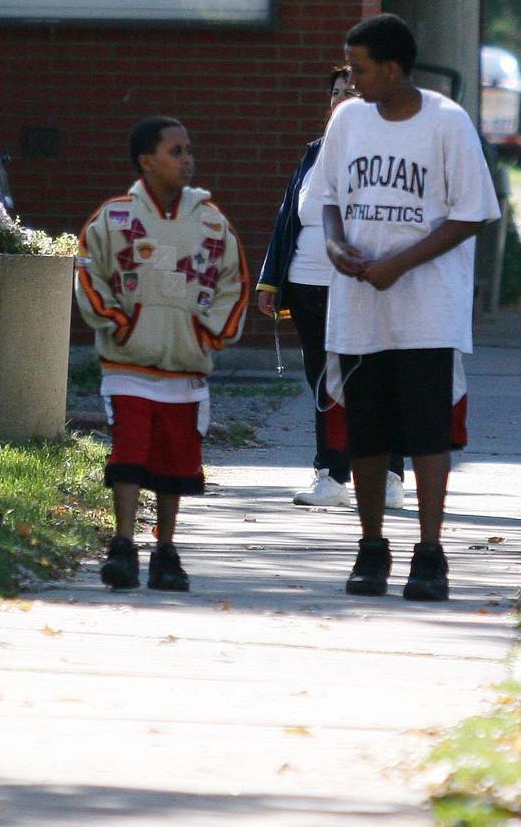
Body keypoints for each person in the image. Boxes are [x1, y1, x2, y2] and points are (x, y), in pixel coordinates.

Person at [311, 13, 500, 602]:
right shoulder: (347, 121)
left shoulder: (446, 122)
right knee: (364, 435)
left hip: (426, 309)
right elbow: (327, 197)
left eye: (360, 68)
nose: (352, 79)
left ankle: (430, 551)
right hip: (360, 305)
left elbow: (473, 212)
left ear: (393, 68)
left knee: (426, 434)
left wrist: (402, 262)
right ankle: (371, 547)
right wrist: (338, 244)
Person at [74, 117, 249, 593]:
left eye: (189, 150)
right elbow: (89, 271)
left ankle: (167, 551)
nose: (187, 158)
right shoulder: (114, 218)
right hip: (128, 365)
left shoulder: (212, 221)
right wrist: (119, 321)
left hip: (184, 367)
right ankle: (123, 545)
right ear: (146, 161)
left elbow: (233, 282)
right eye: (176, 151)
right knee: (129, 454)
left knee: (176, 461)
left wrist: (210, 332)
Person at [256, 68, 409, 511]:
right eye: (336, 93)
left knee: (375, 379)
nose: (342, 100)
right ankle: (331, 474)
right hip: (308, 284)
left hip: (364, 285)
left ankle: (390, 475)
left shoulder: (387, 156)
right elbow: (289, 218)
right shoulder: (313, 154)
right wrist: (271, 280)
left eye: (353, 92)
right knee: (324, 381)